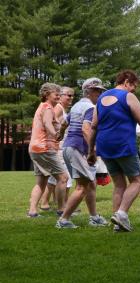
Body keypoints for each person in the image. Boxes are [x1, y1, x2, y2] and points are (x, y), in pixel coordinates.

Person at [87, 70, 140, 232]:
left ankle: (118, 224)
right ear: (126, 82)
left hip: (104, 146)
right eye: (134, 86)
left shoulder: (101, 99)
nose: (134, 90)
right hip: (122, 144)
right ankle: (122, 214)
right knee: (137, 181)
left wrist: (91, 151)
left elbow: (94, 126)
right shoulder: (127, 97)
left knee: (119, 184)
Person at [56, 78, 109, 229]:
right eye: (98, 91)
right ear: (90, 91)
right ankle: (64, 220)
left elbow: (65, 122)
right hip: (78, 149)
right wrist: (92, 151)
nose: (100, 94)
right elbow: (86, 129)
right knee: (82, 187)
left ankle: (94, 217)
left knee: (90, 183)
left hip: (69, 148)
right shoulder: (90, 107)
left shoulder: (77, 106)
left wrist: (60, 134)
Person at [27, 83, 68, 217]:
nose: (58, 95)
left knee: (41, 181)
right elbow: (47, 123)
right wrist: (55, 133)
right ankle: (62, 210)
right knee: (63, 178)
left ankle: (32, 211)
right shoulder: (48, 107)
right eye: (55, 93)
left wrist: (60, 130)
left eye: (59, 93)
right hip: (45, 148)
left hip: (35, 148)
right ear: (46, 95)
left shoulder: (42, 107)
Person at [40, 86, 75, 211]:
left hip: (60, 146)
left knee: (55, 177)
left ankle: (49, 202)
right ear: (60, 96)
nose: (71, 98)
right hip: (58, 147)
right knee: (64, 176)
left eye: (72, 95)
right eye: (68, 95)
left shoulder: (62, 109)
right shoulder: (58, 108)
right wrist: (55, 137)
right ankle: (63, 204)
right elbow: (48, 122)